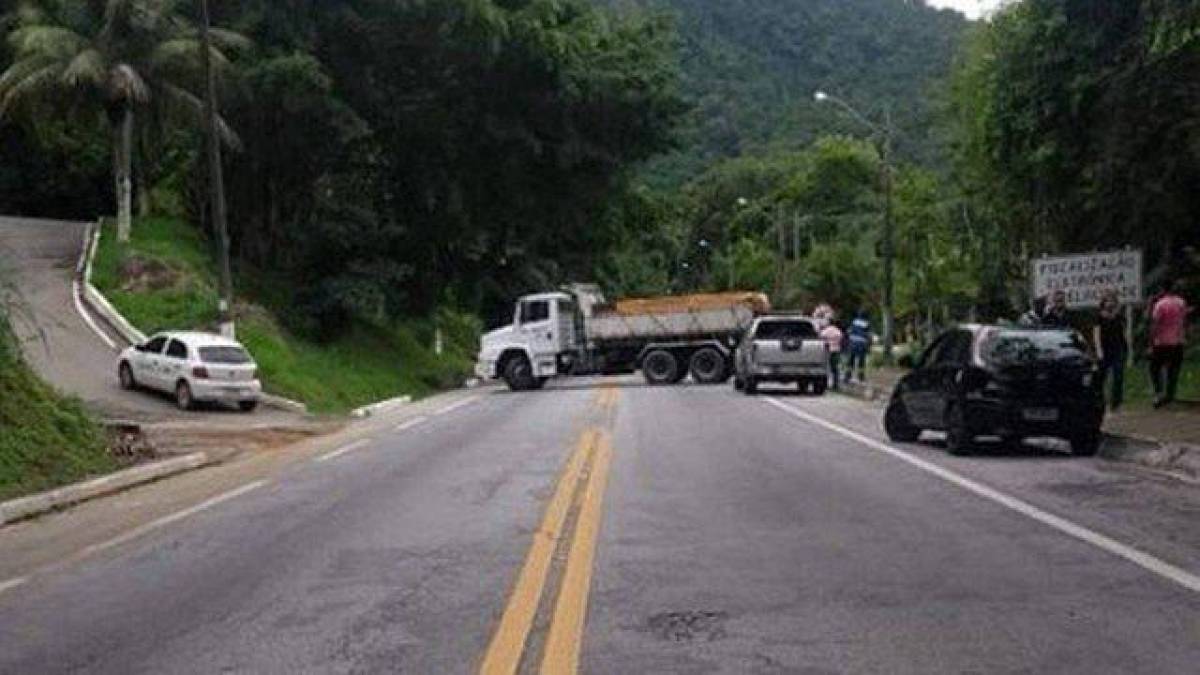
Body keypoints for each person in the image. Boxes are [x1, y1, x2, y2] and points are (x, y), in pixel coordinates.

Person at [1148, 280, 1191, 408]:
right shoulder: (1181, 303)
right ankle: (1170, 395)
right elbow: (1184, 320)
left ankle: (1159, 392)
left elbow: (1155, 325)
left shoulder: (1160, 305)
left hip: (1161, 342)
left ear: (1162, 290)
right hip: (1177, 341)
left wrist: (1151, 342)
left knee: (1155, 368)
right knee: (1173, 370)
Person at [1092, 289, 1127, 411]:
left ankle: (1116, 403)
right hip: (1105, 349)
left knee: (1118, 376)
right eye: (1108, 300)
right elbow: (1096, 334)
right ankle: (1099, 401)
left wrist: (1126, 347)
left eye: (1113, 300)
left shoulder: (1119, 316)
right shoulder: (1099, 316)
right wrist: (1099, 350)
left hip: (1118, 349)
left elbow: (1123, 332)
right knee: (1101, 377)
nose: (1110, 303)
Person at [846, 310, 872, 383]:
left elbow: (849, 331)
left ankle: (848, 376)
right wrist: (869, 345)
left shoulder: (854, 322)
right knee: (861, 361)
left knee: (850, 360)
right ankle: (861, 376)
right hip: (862, 343)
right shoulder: (867, 324)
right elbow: (869, 335)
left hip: (853, 342)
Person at [820, 320, 844, 390]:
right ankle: (835, 384)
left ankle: (825, 384)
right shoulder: (838, 331)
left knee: (826, 367)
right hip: (836, 351)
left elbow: (821, 336)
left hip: (828, 351)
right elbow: (841, 339)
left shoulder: (826, 330)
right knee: (835, 368)